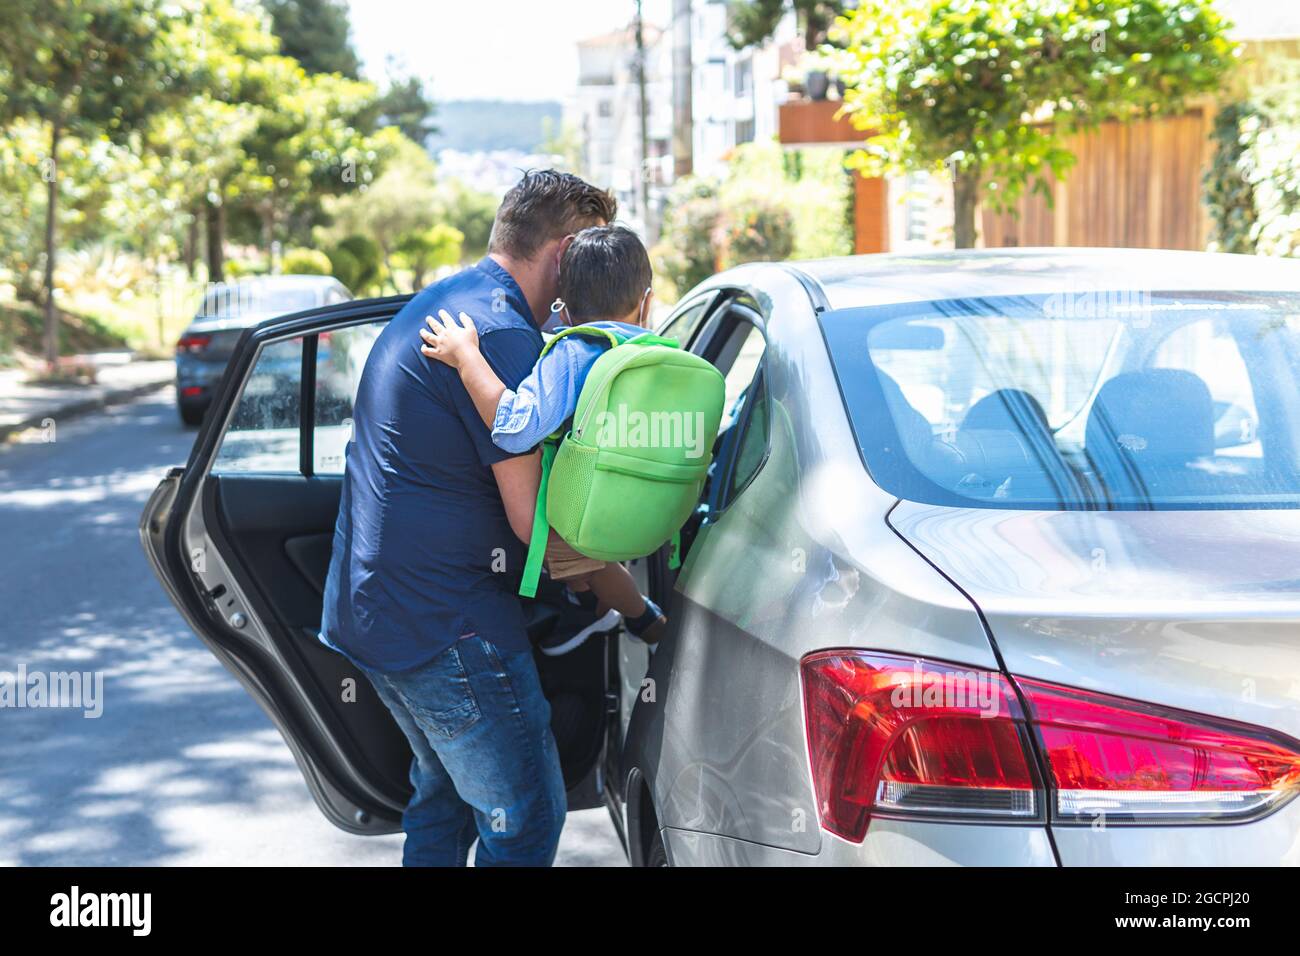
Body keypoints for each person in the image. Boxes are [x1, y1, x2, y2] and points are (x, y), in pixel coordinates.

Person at [318, 170, 616, 867]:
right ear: (565, 252)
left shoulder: (450, 301)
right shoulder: (503, 336)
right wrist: (621, 582)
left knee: (445, 804)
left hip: (377, 613)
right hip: (448, 629)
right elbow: (533, 523)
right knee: (527, 820)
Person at [419, 226, 668, 657]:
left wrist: (466, 357)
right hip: (646, 506)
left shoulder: (572, 354)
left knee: (579, 554)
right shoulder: (659, 352)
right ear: (646, 303)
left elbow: (517, 430)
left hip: (585, 509)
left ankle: (641, 619)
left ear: (564, 311)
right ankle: (602, 606)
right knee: (591, 563)